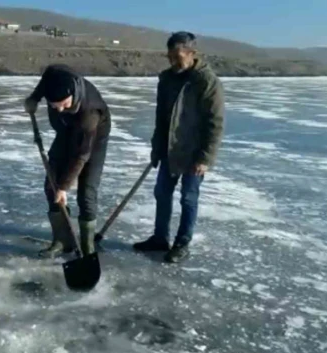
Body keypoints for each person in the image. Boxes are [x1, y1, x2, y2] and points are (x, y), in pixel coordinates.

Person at [133, 31, 225, 263]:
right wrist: (156, 148)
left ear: (192, 54)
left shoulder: (206, 80)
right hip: (169, 149)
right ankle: (160, 238)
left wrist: (205, 158)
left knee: (188, 198)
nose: (173, 62)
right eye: (170, 57)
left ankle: (182, 243)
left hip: (194, 151)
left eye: (178, 57)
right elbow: (161, 118)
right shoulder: (166, 79)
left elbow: (215, 122)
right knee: (162, 193)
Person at [24, 64, 111, 258]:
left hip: (93, 139)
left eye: (64, 104)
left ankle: (87, 247)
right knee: (51, 186)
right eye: (55, 106)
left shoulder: (90, 113)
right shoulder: (54, 76)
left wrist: (64, 187)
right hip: (65, 132)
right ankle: (63, 240)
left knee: (86, 192)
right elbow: (47, 77)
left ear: (73, 93)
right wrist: (34, 99)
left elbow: (81, 155)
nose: (60, 109)